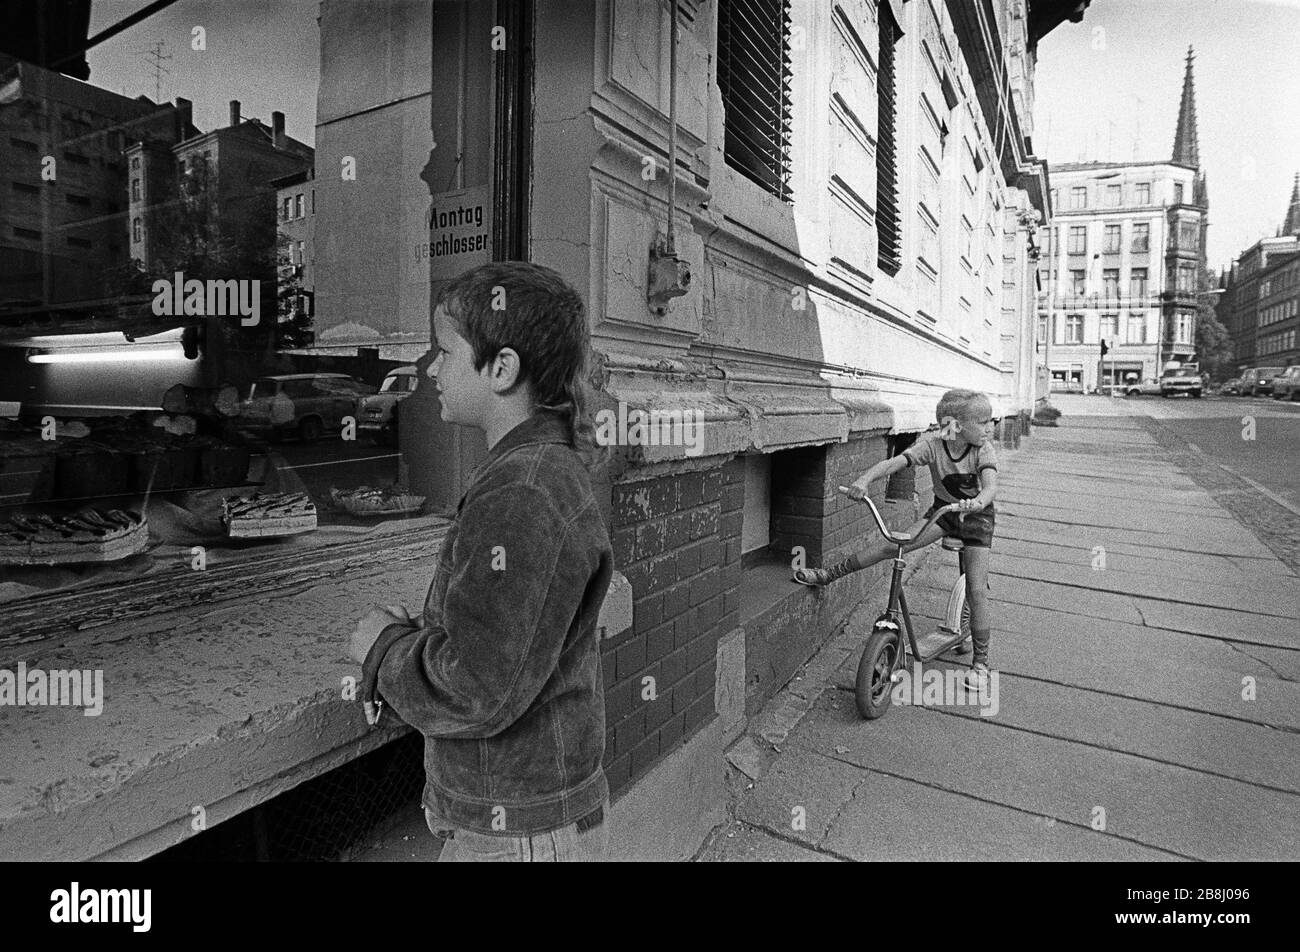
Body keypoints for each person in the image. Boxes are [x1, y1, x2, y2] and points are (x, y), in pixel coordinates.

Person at [348, 261, 613, 862]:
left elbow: (477, 687)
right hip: (527, 817)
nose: (431, 369)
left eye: (444, 352)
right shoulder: (537, 469)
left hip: (514, 833)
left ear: (501, 369)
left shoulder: (522, 492)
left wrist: (383, 647)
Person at [792, 388, 1000, 690]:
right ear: (954, 424)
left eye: (990, 421)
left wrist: (979, 501)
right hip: (943, 513)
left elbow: (990, 487)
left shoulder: (983, 450)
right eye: (982, 422)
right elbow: (894, 464)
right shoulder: (932, 444)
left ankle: (981, 662)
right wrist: (864, 480)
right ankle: (827, 575)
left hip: (977, 518)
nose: (988, 428)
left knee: (976, 588)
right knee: (893, 544)